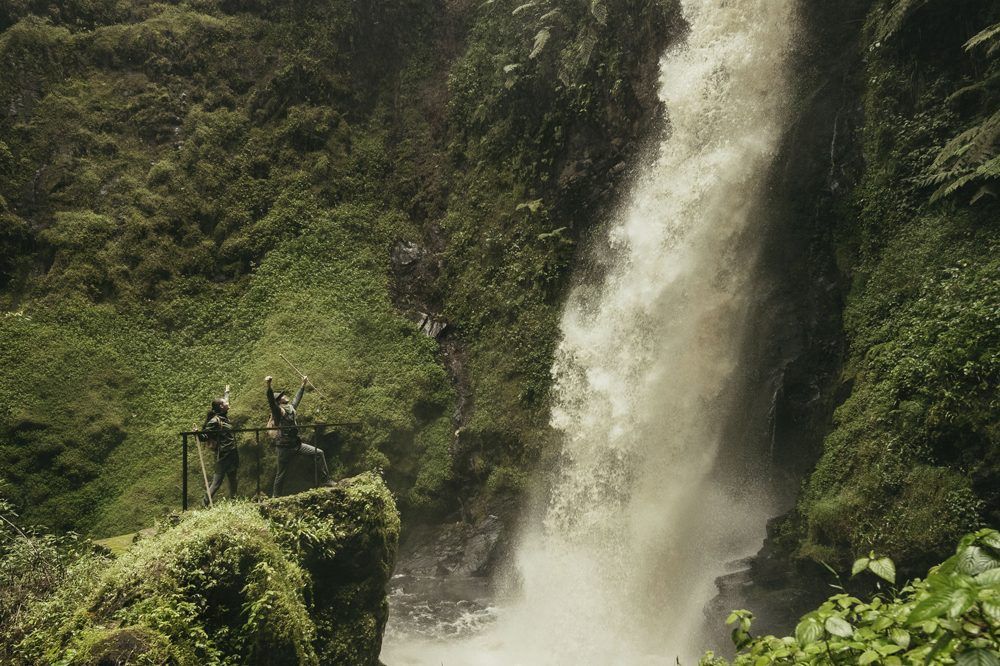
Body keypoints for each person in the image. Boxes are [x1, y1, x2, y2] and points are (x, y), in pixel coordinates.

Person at [266, 375, 331, 496]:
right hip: (284, 448)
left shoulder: (290, 408)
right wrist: (269, 385)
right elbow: (270, 400)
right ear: (279, 401)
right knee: (281, 474)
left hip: (296, 444)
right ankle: (275, 497)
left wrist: (303, 385)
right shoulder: (277, 411)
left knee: (319, 453)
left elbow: (297, 399)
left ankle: (325, 481)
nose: (284, 396)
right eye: (281, 396)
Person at [202, 384, 238, 507]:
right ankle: (205, 504)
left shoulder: (224, 417)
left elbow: (225, 402)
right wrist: (197, 434)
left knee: (233, 479)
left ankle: (234, 502)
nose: (228, 403)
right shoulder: (215, 421)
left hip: (232, 453)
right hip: (223, 455)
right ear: (221, 407)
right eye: (225, 402)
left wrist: (226, 392)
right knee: (217, 482)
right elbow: (204, 436)